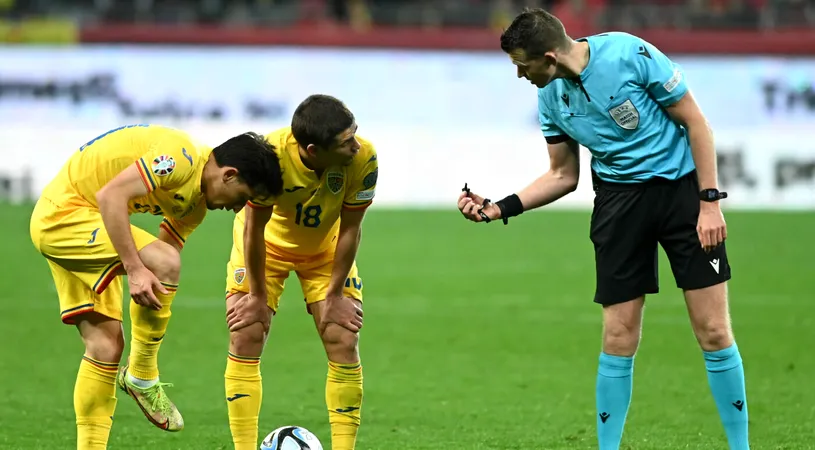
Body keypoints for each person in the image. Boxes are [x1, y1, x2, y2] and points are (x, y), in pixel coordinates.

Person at [457, 8, 748, 450]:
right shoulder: (549, 97)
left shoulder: (630, 54)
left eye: (522, 64)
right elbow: (562, 174)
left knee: (712, 330)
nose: (519, 75)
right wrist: (500, 208)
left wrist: (709, 204)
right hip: (618, 205)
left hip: (682, 195)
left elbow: (696, 123)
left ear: (549, 57)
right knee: (617, 335)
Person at [29, 124, 283, 449]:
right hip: (64, 216)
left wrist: (150, 294)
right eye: (243, 198)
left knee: (105, 347)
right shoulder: (182, 158)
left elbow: (165, 257)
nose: (237, 208)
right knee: (162, 263)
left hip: (85, 223)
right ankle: (142, 374)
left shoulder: (196, 205)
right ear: (229, 175)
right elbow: (111, 196)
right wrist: (135, 269)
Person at [221, 94, 377, 450]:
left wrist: (335, 295)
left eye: (354, 134)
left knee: (342, 336)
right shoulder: (271, 158)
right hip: (266, 247)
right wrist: (258, 296)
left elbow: (352, 228)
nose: (356, 146)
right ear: (312, 150)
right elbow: (253, 230)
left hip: (326, 248)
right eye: (345, 142)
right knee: (246, 331)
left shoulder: (365, 157)